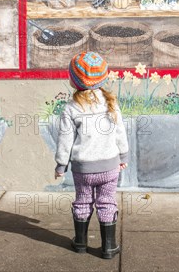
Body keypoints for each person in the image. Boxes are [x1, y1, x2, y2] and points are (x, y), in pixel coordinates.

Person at [55, 51, 129, 259]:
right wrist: (124, 157)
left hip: (83, 169)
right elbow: (120, 132)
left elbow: (65, 140)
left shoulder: (71, 109)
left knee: (83, 201)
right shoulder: (111, 103)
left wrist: (61, 165)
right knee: (107, 202)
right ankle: (109, 247)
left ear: (74, 81)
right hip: (110, 167)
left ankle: (80, 242)